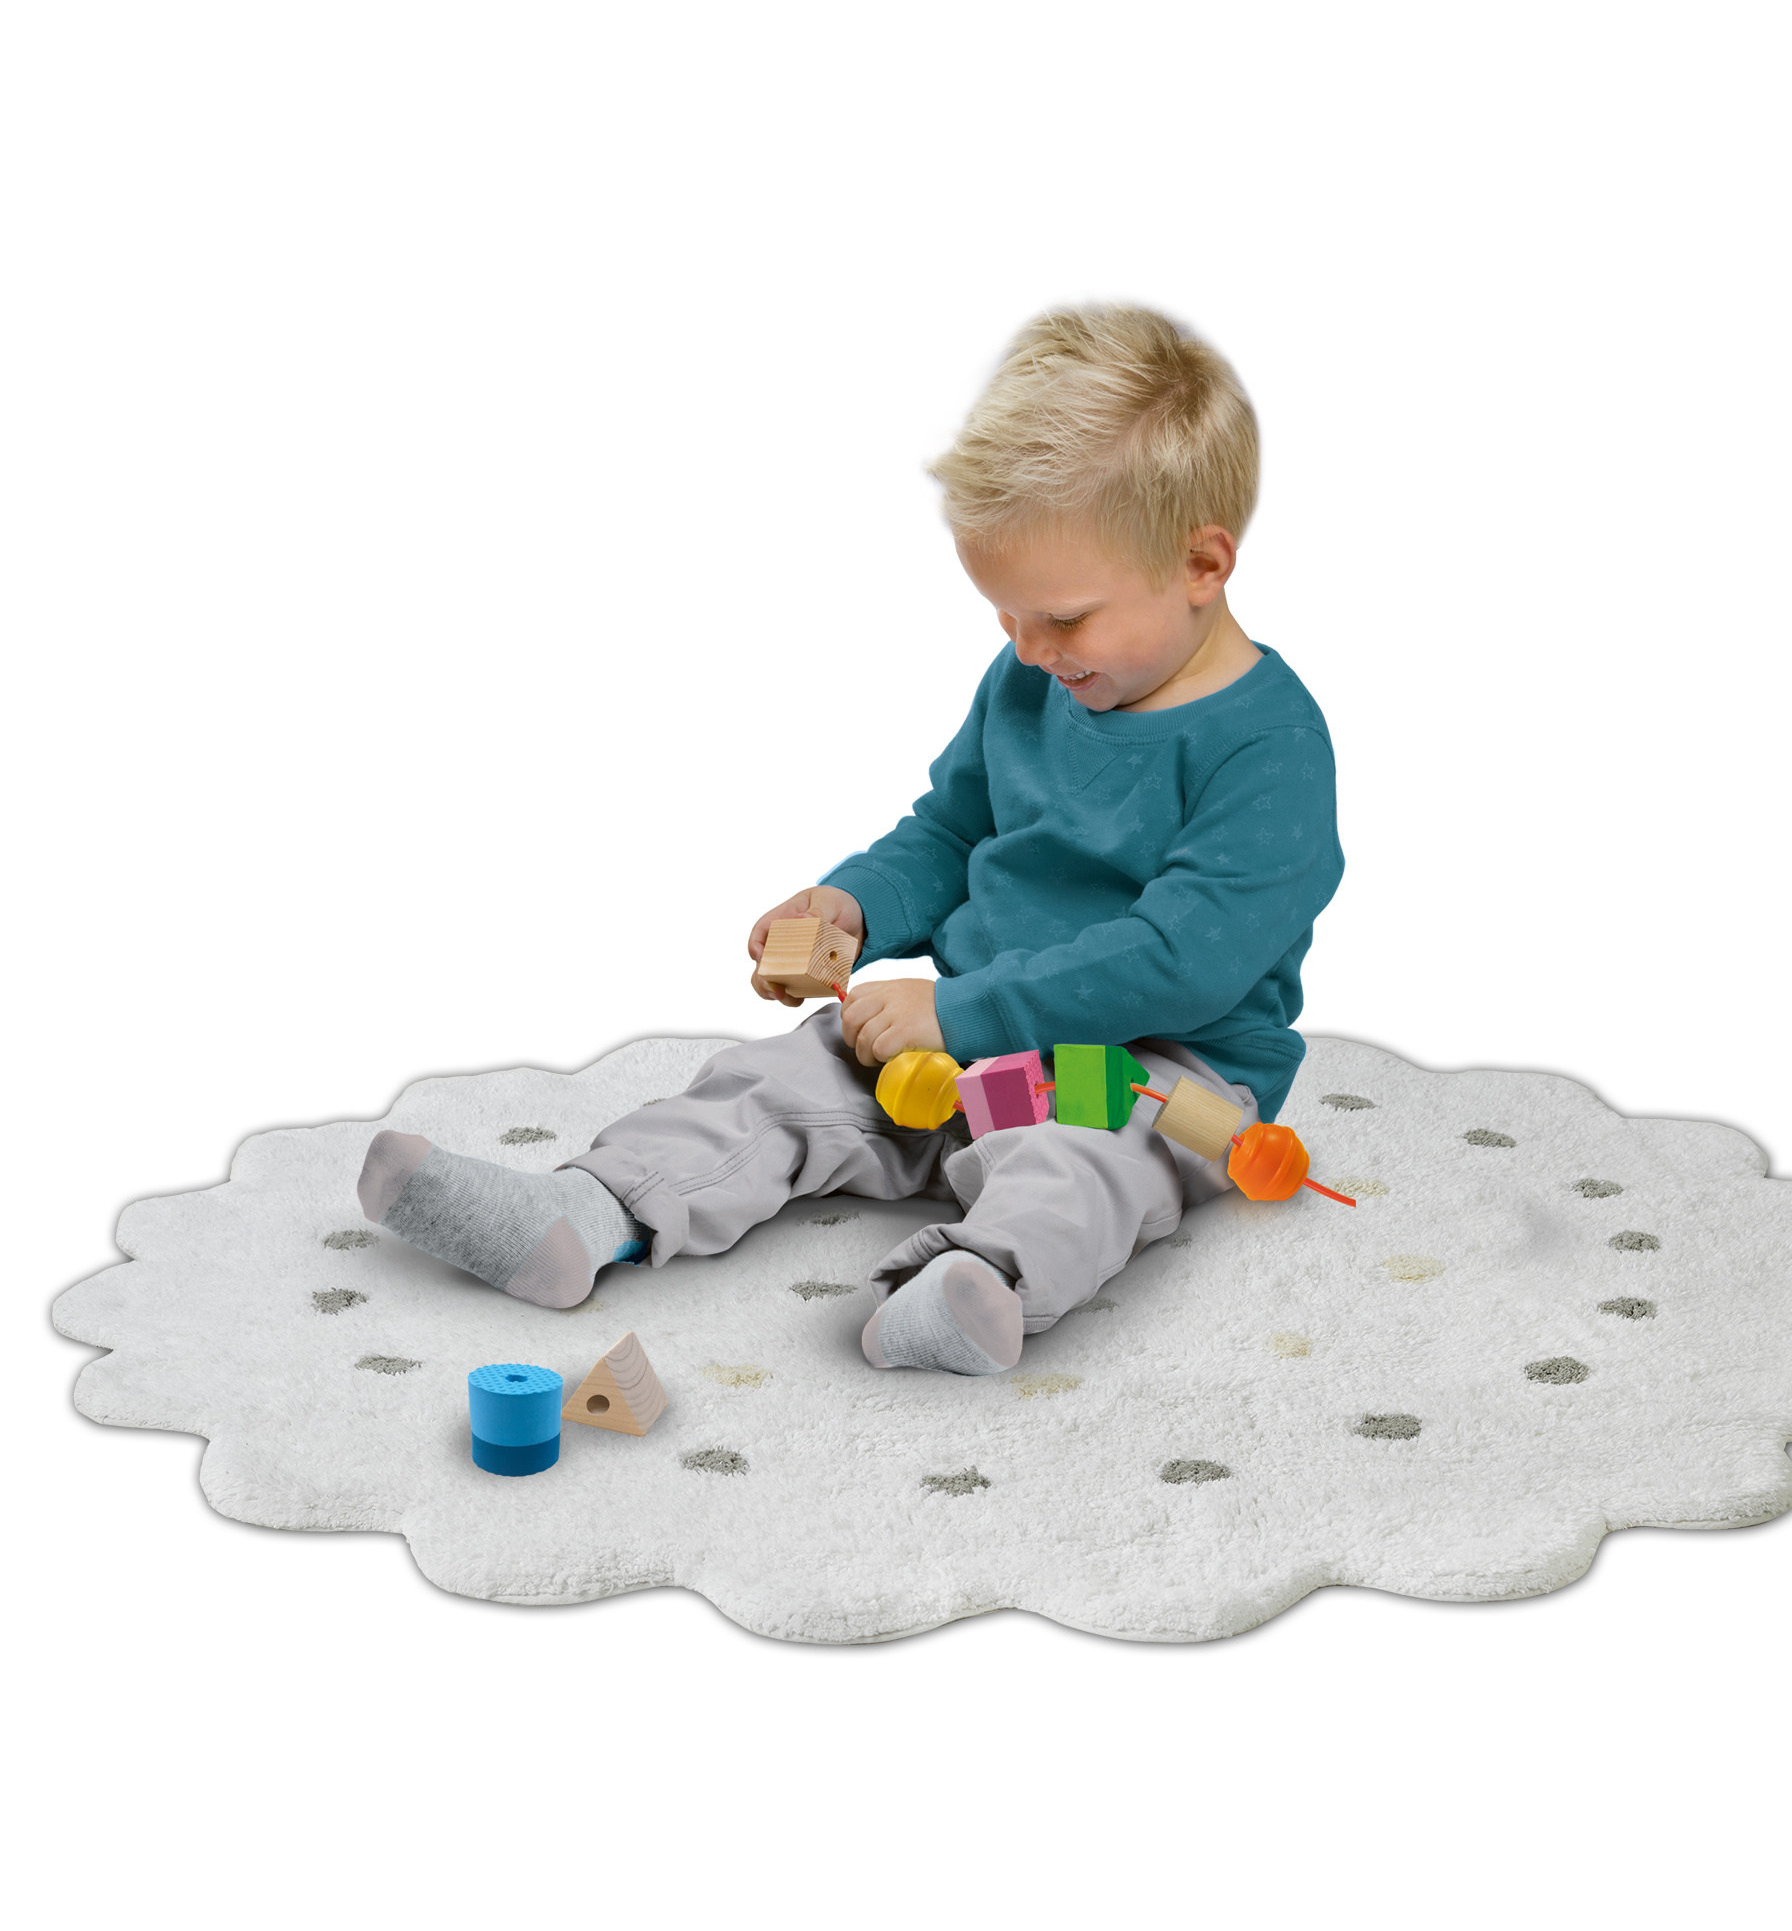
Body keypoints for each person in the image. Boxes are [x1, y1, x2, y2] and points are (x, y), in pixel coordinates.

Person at [356, 305, 1344, 1375]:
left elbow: (1180, 959)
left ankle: (981, 1283)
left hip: (1160, 1068)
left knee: (1086, 1162)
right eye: (1004, 614)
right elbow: (952, 829)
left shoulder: (1270, 750)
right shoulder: (1035, 678)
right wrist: (856, 906)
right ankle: (584, 1214)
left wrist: (958, 1011)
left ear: (1201, 563)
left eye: (1060, 617)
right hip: (970, 1038)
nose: (1026, 647)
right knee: (778, 1082)